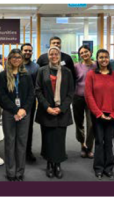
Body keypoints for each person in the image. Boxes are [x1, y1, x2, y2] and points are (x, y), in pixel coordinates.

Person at [35, 46, 74, 179]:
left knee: (59, 139)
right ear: (48, 56)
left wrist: (61, 108)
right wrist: (47, 107)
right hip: (46, 111)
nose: (54, 56)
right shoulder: (42, 71)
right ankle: (49, 163)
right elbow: (38, 90)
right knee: (47, 138)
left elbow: (70, 92)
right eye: (51, 54)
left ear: (60, 56)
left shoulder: (67, 71)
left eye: (56, 54)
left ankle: (57, 164)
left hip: (61, 111)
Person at [85, 49, 114, 180]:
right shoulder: (91, 75)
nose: (103, 60)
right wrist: (98, 113)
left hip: (112, 114)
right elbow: (89, 95)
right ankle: (99, 168)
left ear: (109, 59)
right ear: (97, 59)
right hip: (97, 114)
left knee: (109, 141)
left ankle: (109, 168)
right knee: (99, 142)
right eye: (101, 57)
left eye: (106, 57)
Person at [0, 49, 35, 181]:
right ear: (9, 59)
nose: (16, 59)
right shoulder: (3, 75)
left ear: (21, 59)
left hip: (24, 113)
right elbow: (2, 97)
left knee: (21, 143)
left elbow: (32, 94)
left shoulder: (26, 75)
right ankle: (10, 172)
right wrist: (15, 110)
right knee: (9, 142)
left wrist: (23, 110)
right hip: (9, 113)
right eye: (13, 57)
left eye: (18, 57)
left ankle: (20, 172)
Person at [73, 45, 96, 159]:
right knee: (79, 123)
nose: (84, 54)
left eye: (86, 52)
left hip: (92, 98)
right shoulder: (76, 66)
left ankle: (89, 147)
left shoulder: (97, 65)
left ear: (91, 52)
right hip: (78, 97)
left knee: (91, 124)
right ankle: (82, 145)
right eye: (81, 53)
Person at [20, 43, 39, 162]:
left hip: (29, 102)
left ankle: (28, 151)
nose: (27, 52)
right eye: (25, 50)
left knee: (28, 128)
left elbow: (37, 86)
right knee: (15, 128)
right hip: (15, 102)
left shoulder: (36, 67)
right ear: (21, 51)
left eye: (29, 51)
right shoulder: (15, 65)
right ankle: (18, 152)